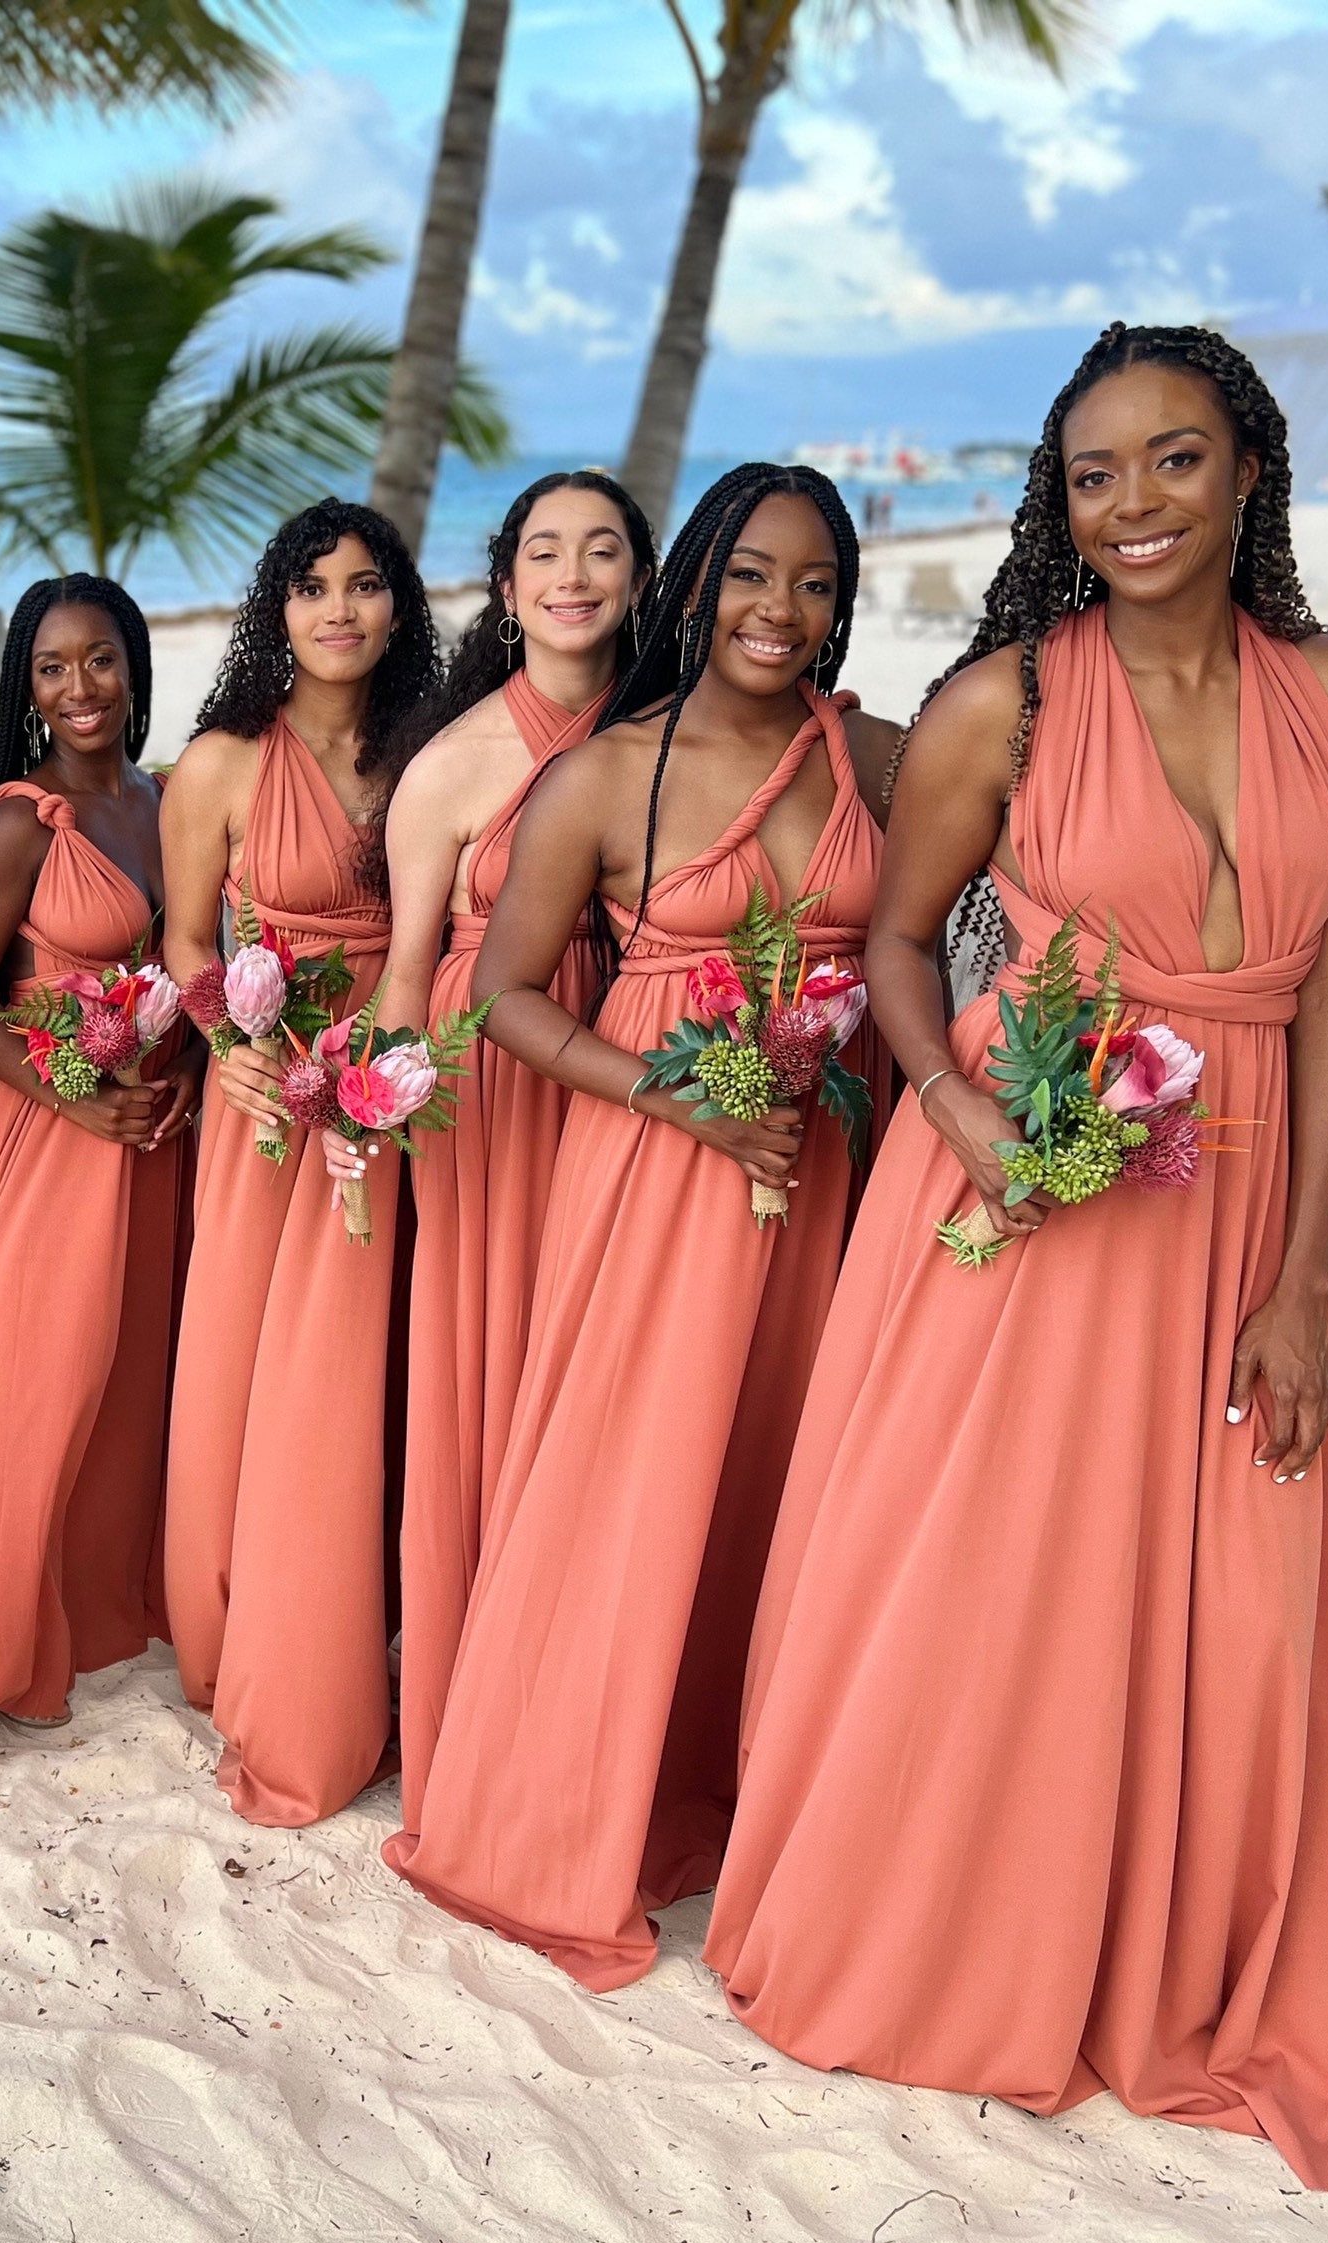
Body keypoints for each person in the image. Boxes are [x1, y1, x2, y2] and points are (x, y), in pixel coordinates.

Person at [702, 325, 1328, 2193]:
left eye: (1175, 460)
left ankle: (1149, 1960)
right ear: (1058, 503)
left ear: (1249, 469)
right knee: (996, 1578)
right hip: (1040, 1189)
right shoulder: (1001, 703)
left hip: (1242, 1202)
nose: (1136, 502)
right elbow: (902, 947)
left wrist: (1304, 1276)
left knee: (1220, 1592)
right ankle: (942, 1939)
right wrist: (963, 1106)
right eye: (1096, 473)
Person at [383, 465, 897, 1988]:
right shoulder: (606, 775)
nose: (778, 610)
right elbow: (504, 996)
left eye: (812, 583)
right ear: (694, 584)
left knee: (767, 1480)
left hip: (814, 1165)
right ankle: (548, 1821)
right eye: (749, 575)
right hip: (657, 1164)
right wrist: (672, 1097)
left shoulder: (874, 750)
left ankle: (708, 1798)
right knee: (625, 1485)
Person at [360, 468, 654, 1828]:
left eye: (603, 550)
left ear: (643, 578)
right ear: (508, 578)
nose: (575, 574)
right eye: (547, 550)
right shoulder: (455, 761)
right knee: (492, 1381)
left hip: (646, 1078)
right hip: (491, 1101)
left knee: (613, 1389)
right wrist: (376, 1115)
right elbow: (406, 975)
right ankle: (475, 1710)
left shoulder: (673, 734)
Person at [158, 498, 440, 1826]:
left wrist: (392, 1059)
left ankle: (355, 1631)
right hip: (268, 1097)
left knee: (366, 1374)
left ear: (401, 607)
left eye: (366, 585)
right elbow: (185, 948)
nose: (341, 609)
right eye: (314, 585)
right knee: (246, 1362)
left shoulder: (430, 755)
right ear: (277, 608)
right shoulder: (217, 764)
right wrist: (227, 1044)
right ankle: (236, 1639)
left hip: (396, 1089)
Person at [0, 578, 198, 1737]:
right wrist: (72, 1097)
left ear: (135, 668)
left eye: (102, 661)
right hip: (49, 1125)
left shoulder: (161, 802)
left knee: (123, 1381)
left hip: (147, 1125)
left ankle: (86, 1609)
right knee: (31, 1382)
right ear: (27, 684)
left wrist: (177, 1084)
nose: (82, 689)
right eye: (55, 668)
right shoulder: (21, 818)